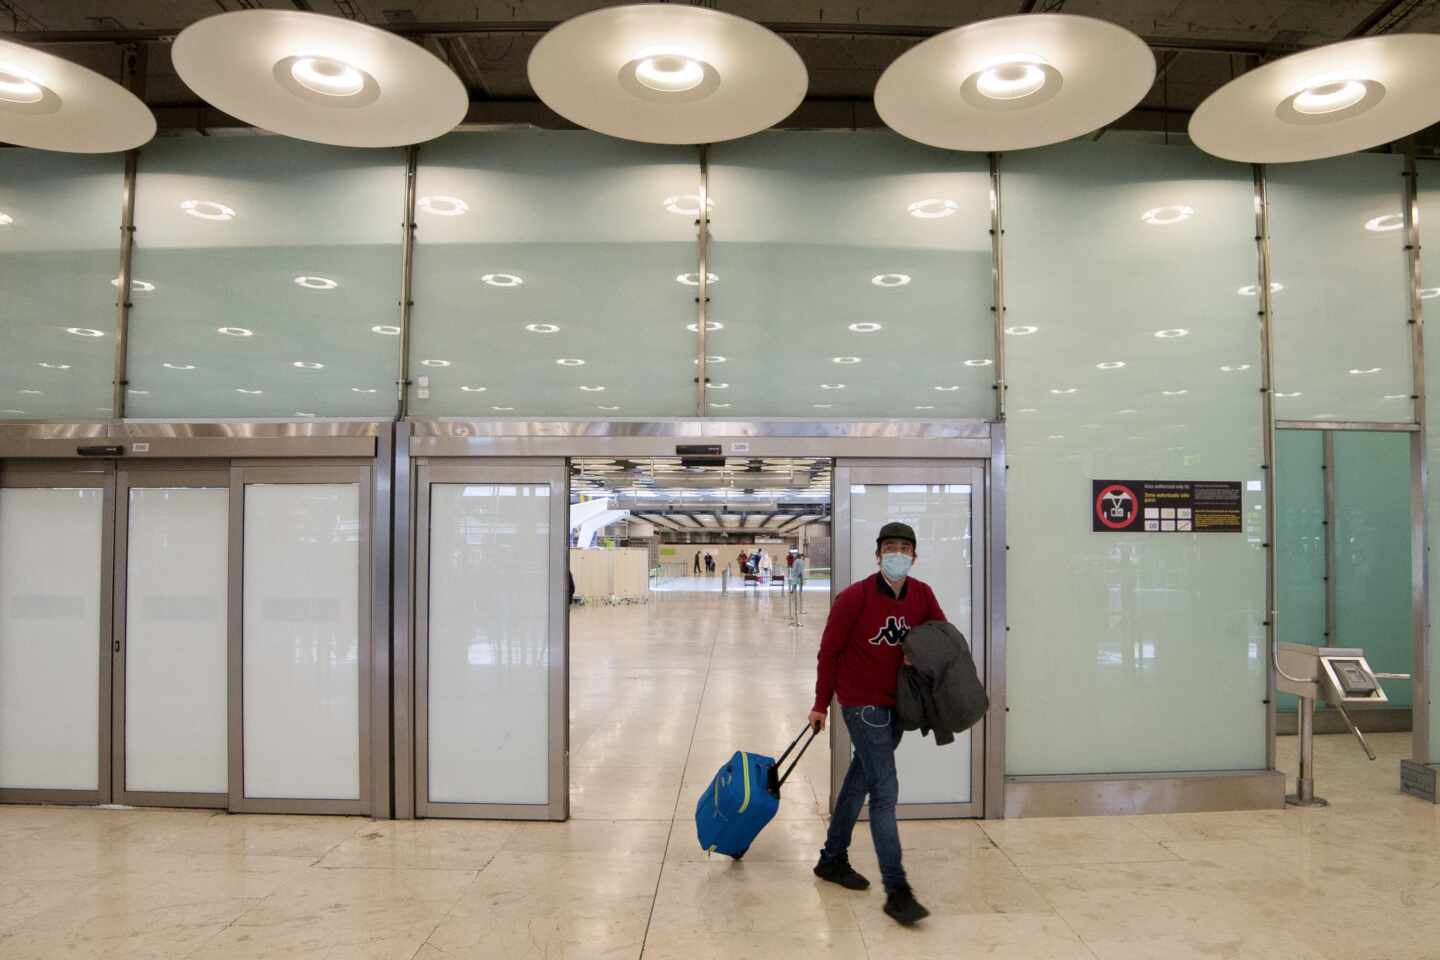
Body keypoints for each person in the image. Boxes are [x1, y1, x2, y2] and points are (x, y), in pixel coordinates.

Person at [808, 521, 943, 926]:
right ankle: (897, 890)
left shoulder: (922, 595)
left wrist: (917, 653)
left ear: (914, 556)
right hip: (862, 705)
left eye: (904, 547)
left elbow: (941, 637)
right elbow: (829, 653)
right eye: (889, 548)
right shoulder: (855, 598)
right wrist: (820, 704)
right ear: (878, 555)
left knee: (860, 780)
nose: (897, 554)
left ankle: (831, 859)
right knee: (885, 791)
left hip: (899, 704)